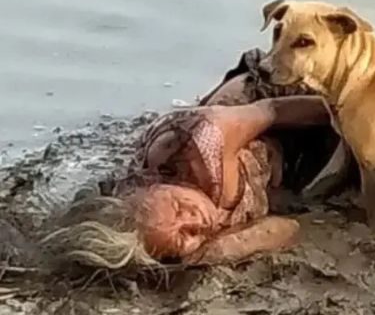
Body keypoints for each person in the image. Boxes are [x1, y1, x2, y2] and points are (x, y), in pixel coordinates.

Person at [42, 52, 337, 269]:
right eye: (184, 239)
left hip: (276, 103)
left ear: (153, 188)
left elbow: (271, 109)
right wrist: (213, 250)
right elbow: (288, 228)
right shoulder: (166, 231)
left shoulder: (202, 144)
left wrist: (343, 113)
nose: (197, 222)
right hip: (274, 168)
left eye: (179, 208)